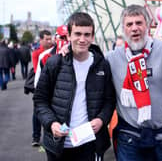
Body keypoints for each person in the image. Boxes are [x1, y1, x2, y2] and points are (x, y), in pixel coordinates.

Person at [33, 12, 116, 161]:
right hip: (58, 144)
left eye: (87, 34)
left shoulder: (102, 65)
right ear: (69, 36)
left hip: (90, 143)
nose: (82, 39)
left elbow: (109, 100)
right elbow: (40, 100)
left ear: (92, 37)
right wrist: (51, 123)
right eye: (77, 34)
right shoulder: (55, 63)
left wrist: (102, 119)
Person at [106, 4, 162, 161]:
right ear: (123, 29)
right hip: (130, 138)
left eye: (139, 23)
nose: (134, 28)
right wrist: (68, 51)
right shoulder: (112, 59)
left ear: (147, 26)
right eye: (129, 24)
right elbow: (86, 62)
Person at [31, 30, 52, 146]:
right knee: (37, 113)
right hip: (40, 87)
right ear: (41, 40)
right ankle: (36, 137)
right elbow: (36, 70)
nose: (49, 41)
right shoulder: (37, 53)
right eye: (47, 39)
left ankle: (48, 138)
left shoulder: (55, 50)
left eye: (50, 39)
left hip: (53, 87)